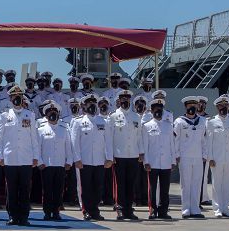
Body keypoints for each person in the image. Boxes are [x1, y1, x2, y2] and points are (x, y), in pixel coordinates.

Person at [0, 86, 41, 225]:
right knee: (12, 188)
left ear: (22, 98)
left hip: (26, 157)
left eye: (19, 96)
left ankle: (24, 216)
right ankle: (13, 216)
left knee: (25, 188)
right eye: (14, 96)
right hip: (10, 158)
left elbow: (34, 138)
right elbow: (0, 138)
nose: (16, 98)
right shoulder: (4, 116)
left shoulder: (30, 115)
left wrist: (35, 156)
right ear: (10, 99)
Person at [70, 94, 111, 221]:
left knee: (98, 187)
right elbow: (74, 142)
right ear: (83, 106)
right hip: (84, 161)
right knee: (85, 187)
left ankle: (95, 210)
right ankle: (86, 210)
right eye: (89, 103)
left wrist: (109, 157)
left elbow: (108, 141)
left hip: (99, 160)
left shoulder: (103, 121)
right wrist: (77, 159)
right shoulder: (78, 122)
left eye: (94, 103)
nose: (91, 105)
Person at [107, 90, 143, 221]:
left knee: (131, 184)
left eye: (127, 99)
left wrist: (141, 152)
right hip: (119, 156)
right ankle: (120, 209)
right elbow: (109, 138)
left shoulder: (136, 117)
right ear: (118, 101)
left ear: (130, 101)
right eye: (122, 99)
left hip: (133, 154)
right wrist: (110, 156)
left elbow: (139, 137)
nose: (125, 101)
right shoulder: (113, 116)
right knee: (120, 184)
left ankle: (129, 210)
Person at [204, 95, 229, 218]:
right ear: (217, 107)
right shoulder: (211, 122)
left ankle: (225, 207)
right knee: (217, 183)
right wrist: (210, 158)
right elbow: (209, 141)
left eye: (225, 106)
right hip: (217, 158)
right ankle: (217, 208)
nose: (223, 108)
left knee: (227, 183)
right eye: (221, 106)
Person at [37, 100, 73, 220]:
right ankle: (47, 212)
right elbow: (38, 148)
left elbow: (69, 146)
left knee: (58, 190)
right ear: (46, 115)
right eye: (50, 112)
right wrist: (40, 162)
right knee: (47, 191)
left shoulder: (64, 128)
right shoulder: (41, 129)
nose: (52, 114)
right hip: (46, 166)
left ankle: (56, 212)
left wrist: (69, 161)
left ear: (58, 114)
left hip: (60, 165)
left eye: (55, 111)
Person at [141, 98, 176, 221]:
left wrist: (173, 161)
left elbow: (172, 144)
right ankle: (152, 210)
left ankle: (163, 211)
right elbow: (145, 146)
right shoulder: (146, 126)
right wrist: (146, 162)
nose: (158, 110)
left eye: (160, 108)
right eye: (155, 108)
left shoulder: (169, 126)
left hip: (166, 161)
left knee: (165, 189)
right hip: (153, 162)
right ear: (152, 110)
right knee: (152, 189)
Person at [173, 96, 206, 219]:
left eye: (194, 105)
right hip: (184, 156)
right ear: (185, 106)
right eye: (189, 105)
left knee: (197, 183)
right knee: (186, 183)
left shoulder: (202, 121)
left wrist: (204, 154)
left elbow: (204, 140)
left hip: (197, 156)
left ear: (197, 106)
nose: (192, 107)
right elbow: (175, 139)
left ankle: (195, 208)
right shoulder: (179, 121)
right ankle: (186, 209)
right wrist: (176, 155)